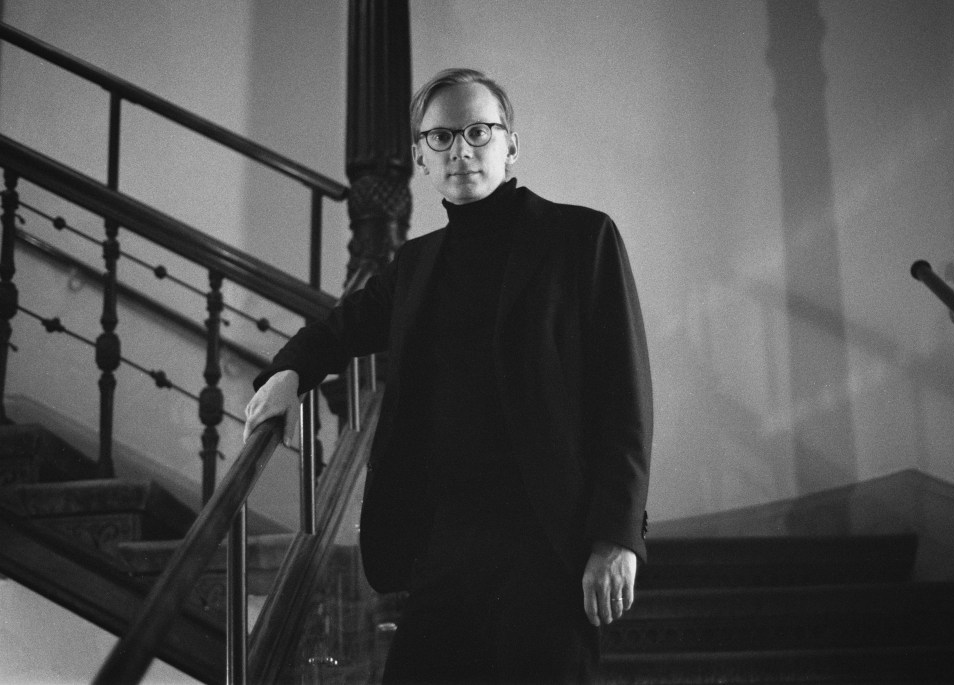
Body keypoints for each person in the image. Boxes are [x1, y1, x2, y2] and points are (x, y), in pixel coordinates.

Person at [244, 68, 652, 684]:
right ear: (421, 157)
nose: (460, 150)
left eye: (478, 131)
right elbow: (340, 328)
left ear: (511, 144)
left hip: (551, 544)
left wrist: (616, 536)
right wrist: (287, 373)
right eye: (441, 137)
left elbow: (625, 398)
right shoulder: (416, 263)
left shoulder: (581, 237)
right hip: (444, 546)